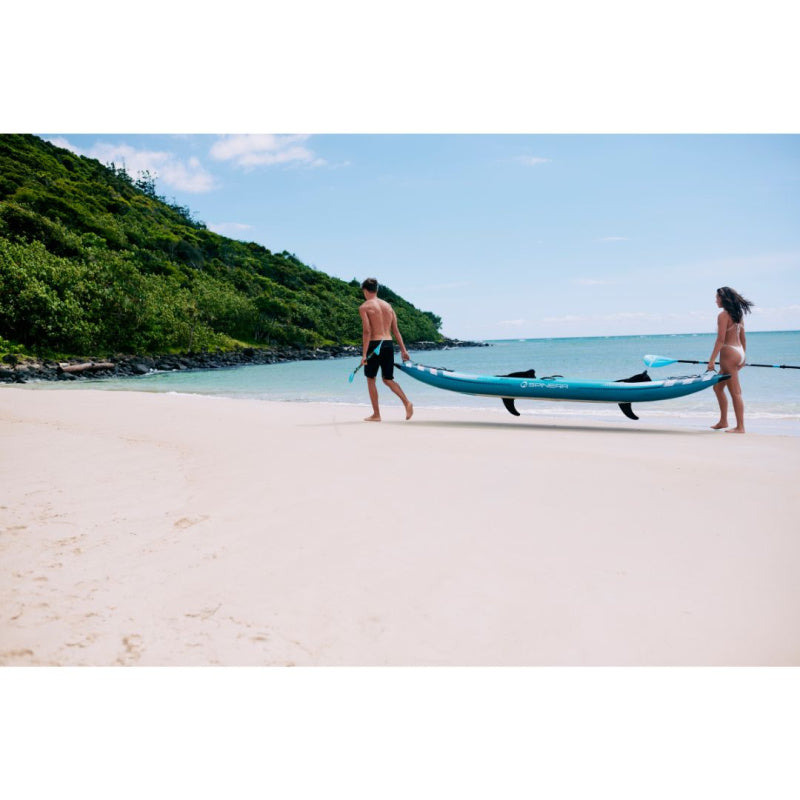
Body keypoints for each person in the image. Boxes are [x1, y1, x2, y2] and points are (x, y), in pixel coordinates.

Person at [358, 277, 413, 422]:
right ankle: (407, 402)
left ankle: (376, 414)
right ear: (376, 290)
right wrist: (403, 350)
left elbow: (367, 332)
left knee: (371, 379)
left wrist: (364, 354)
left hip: (375, 345)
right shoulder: (388, 306)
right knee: (388, 379)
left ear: (365, 290)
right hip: (388, 344)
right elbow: (396, 330)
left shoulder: (364, 307)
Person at [707, 286, 754, 433]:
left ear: (723, 299)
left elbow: (720, 340)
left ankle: (740, 427)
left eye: (717, 298)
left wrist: (712, 360)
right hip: (738, 352)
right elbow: (743, 338)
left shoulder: (723, 315)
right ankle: (723, 421)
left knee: (736, 392)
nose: (715, 300)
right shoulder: (738, 315)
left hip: (729, 354)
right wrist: (743, 357)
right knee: (718, 387)